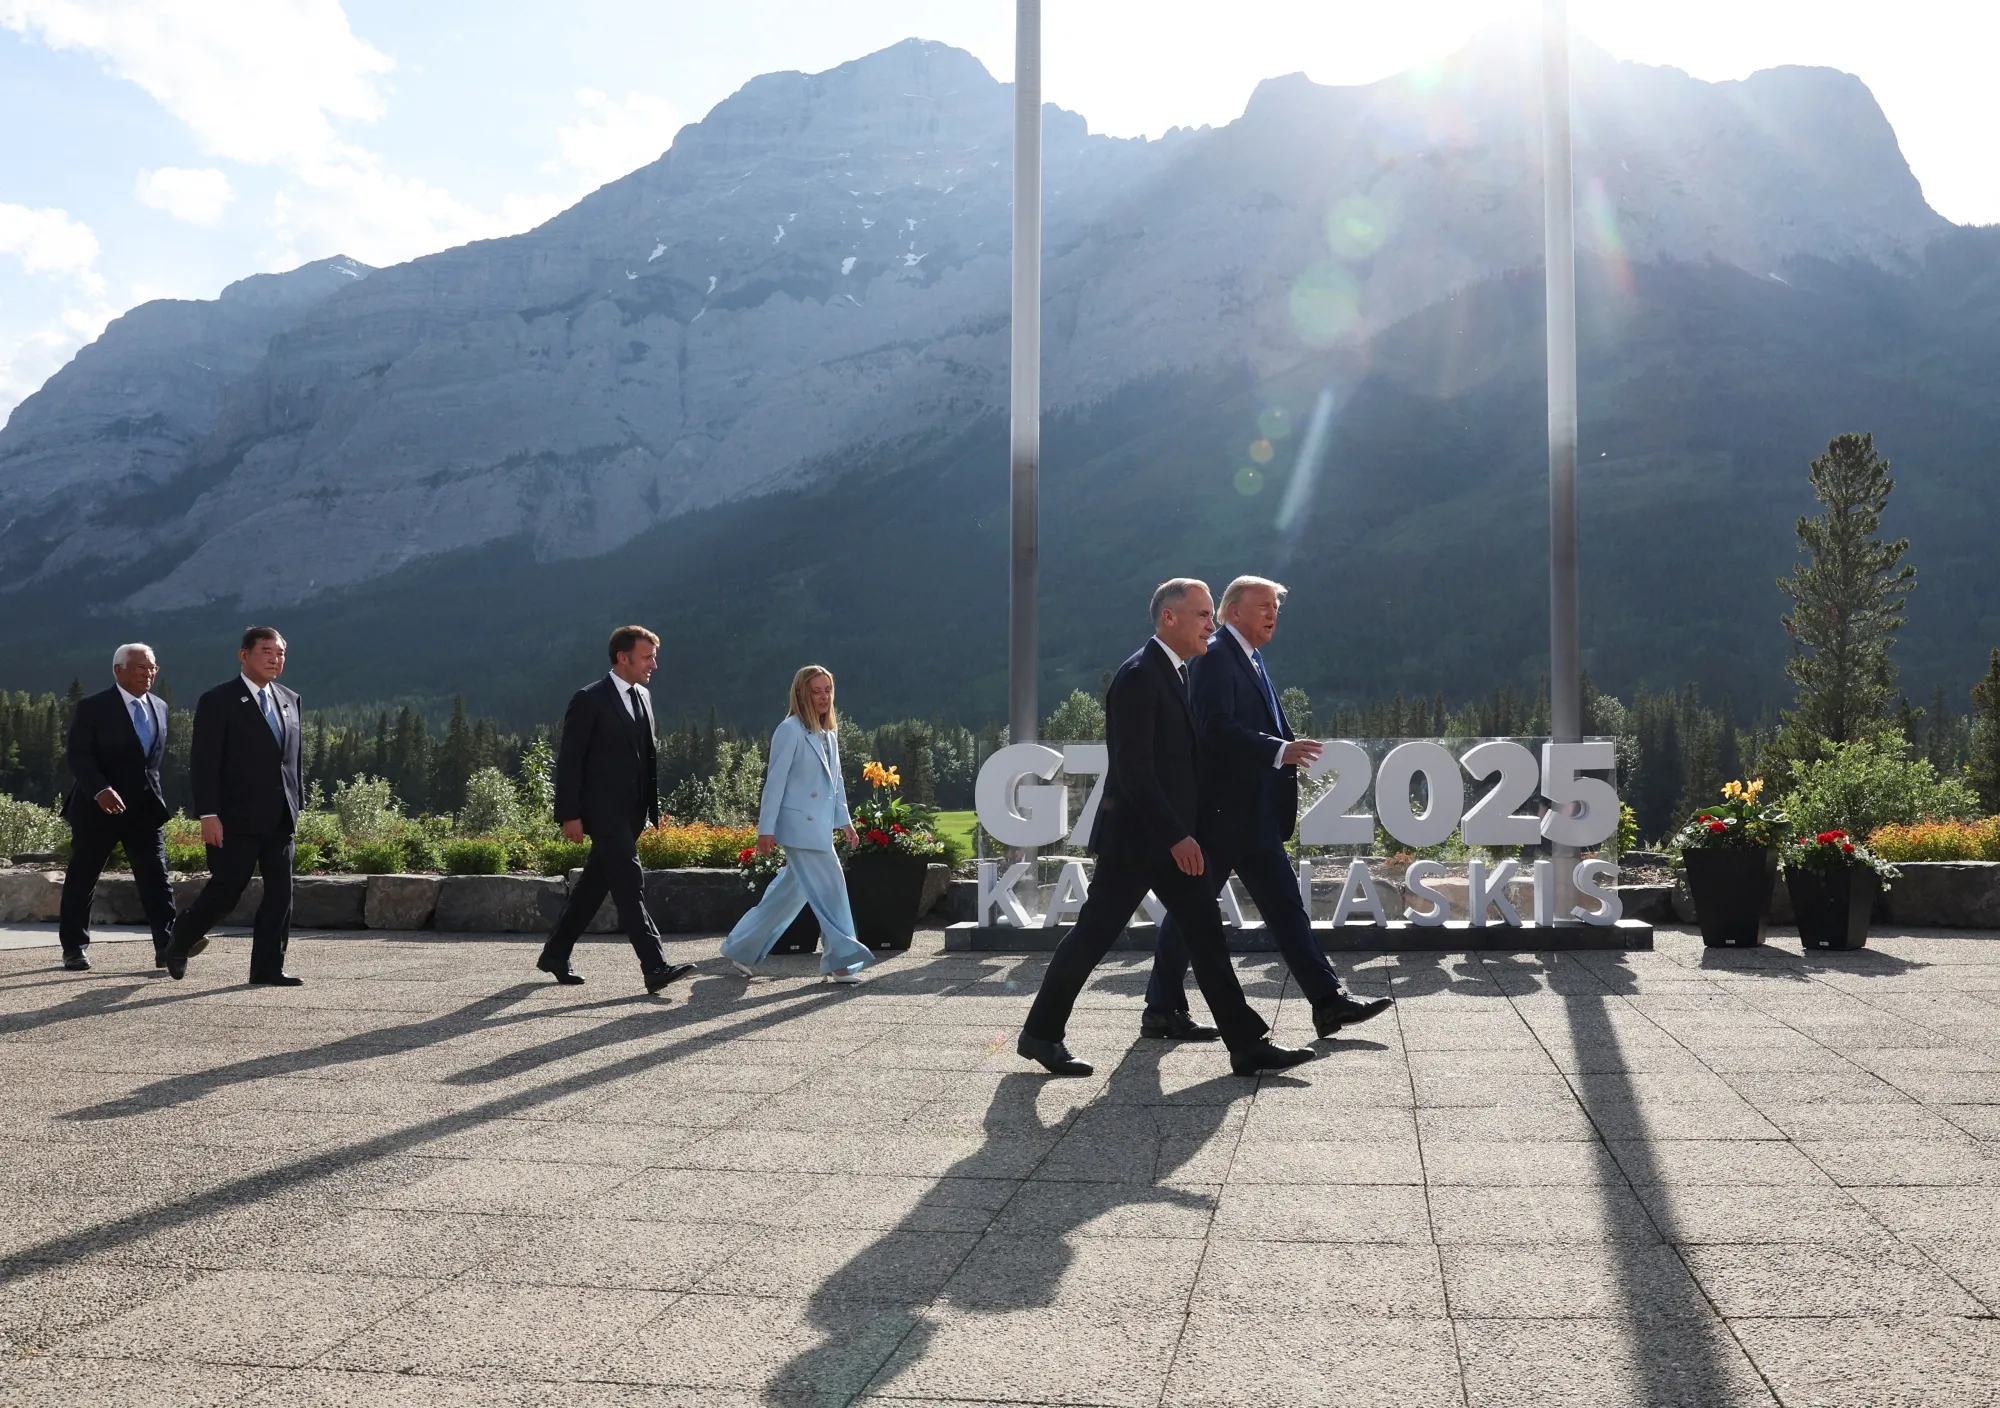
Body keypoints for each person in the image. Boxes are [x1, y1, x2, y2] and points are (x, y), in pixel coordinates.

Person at [1017, 578, 1315, 1078]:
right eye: (1201, 615)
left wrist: (1191, 829)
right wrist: (1177, 836)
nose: (1211, 624)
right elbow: (1134, 773)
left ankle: (1245, 1044)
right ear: (1168, 619)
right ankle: (1040, 1035)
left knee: (1206, 935)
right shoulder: (1138, 677)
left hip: (1171, 840)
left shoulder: (1178, 672)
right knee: (1093, 936)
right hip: (1137, 844)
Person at [1147, 576, 1393, 1041]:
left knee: (1285, 909)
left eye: (1275, 607)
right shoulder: (1217, 655)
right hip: (1221, 816)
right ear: (1231, 611)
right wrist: (1280, 750)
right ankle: (1160, 1007)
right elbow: (1213, 728)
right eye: (1261, 605)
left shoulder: (1250, 657)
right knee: (1192, 913)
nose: (1271, 614)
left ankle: (1328, 1003)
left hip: (1253, 816)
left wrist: (1279, 754)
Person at [535, 625, 696, 995]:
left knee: (595, 884)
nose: (653, 664)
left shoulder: (644, 696)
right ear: (622, 658)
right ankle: (654, 966)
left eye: (654, 656)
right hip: (601, 811)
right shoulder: (588, 699)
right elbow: (571, 761)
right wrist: (569, 813)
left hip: (632, 813)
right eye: (647, 657)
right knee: (628, 881)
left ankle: (556, 953)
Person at [163, 627, 305, 984]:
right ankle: (180, 939)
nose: (276, 659)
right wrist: (208, 814)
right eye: (267, 652)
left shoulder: (290, 699)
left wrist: (297, 804)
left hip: (280, 817)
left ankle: (267, 969)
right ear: (244, 656)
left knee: (280, 895)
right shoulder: (219, 700)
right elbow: (205, 762)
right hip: (235, 818)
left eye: (281, 653)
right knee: (227, 891)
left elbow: (292, 761)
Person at [720, 666, 873, 983]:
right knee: (832, 889)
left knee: (790, 892)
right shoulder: (789, 730)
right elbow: (774, 783)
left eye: (827, 690)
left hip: (818, 828)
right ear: (801, 693)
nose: (823, 697)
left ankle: (741, 947)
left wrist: (845, 821)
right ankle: (842, 962)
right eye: (816, 691)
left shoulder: (829, 732)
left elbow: (836, 783)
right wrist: (766, 829)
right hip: (799, 828)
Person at [58, 644, 177, 971]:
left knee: (157, 878)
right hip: (98, 809)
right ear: (118, 670)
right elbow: (78, 756)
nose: (148, 673)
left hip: (144, 811)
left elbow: (149, 763)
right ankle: (74, 947)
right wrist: (100, 789)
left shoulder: (161, 707)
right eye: (140, 667)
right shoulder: (93, 708)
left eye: (152, 667)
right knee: (83, 878)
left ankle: (168, 947)